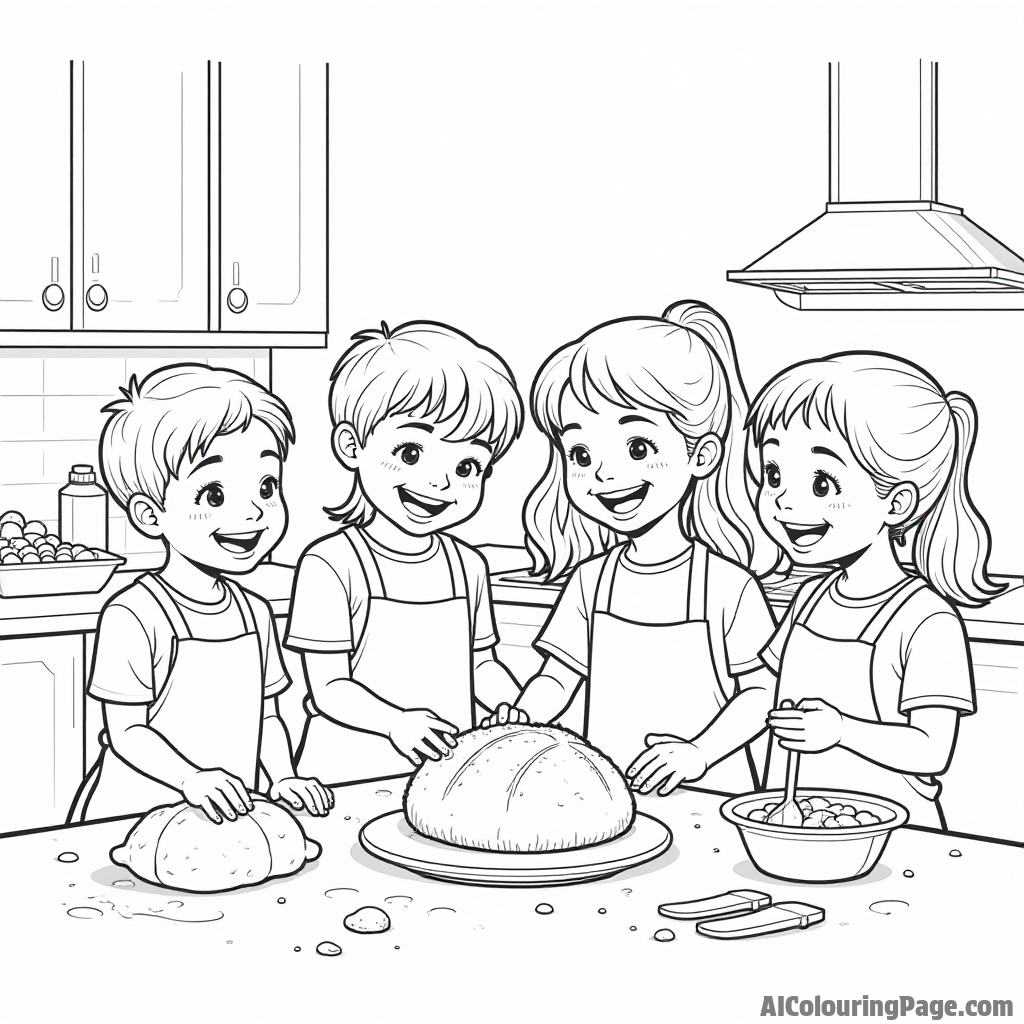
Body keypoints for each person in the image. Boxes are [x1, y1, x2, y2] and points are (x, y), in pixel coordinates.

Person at [485, 301, 779, 795]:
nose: (603, 474)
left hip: (711, 791)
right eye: (581, 453)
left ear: (701, 455)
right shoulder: (590, 581)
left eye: (637, 448)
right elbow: (559, 678)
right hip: (607, 793)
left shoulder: (727, 586)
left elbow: (760, 691)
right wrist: (522, 716)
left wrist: (700, 754)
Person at [70, 365, 332, 824]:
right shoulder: (134, 615)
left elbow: (266, 718)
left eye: (267, 487)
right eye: (213, 495)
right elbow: (127, 731)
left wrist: (283, 776)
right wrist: (192, 779)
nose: (253, 511)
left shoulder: (255, 613)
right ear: (151, 516)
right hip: (130, 816)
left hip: (224, 816)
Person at [749, 353, 1001, 828]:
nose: (782, 500)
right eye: (774, 473)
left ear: (897, 502)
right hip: (793, 822)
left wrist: (840, 731)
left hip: (898, 836)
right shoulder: (809, 597)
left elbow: (931, 749)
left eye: (822, 482)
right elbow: (765, 694)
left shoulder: (927, 620)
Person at [284, 321, 525, 784]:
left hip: (445, 776)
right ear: (351, 447)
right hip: (348, 771)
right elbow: (329, 686)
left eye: (467, 465)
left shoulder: (467, 567)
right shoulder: (331, 564)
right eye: (411, 453)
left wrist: (508, 704)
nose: (440, 482)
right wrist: (395, 723)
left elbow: (482, 663)